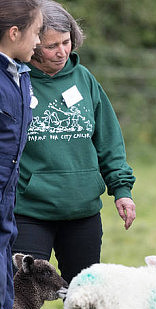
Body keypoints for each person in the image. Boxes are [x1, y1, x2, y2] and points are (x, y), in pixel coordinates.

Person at [11, 0, 136, 286]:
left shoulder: (84, 79)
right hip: (30, 212)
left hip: (83, 211)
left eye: (66, 42)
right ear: (31, 43)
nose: (62, 51)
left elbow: (109, 141)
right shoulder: (14, 80)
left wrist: (122, 189)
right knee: (23, 295)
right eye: (50, 45)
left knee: (84, 296)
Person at [0, 0, 43, 309]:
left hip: (6, 208)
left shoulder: (21, 75)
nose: (41, 41)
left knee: (2, 299)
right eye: (36, 32)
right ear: (14, 33)